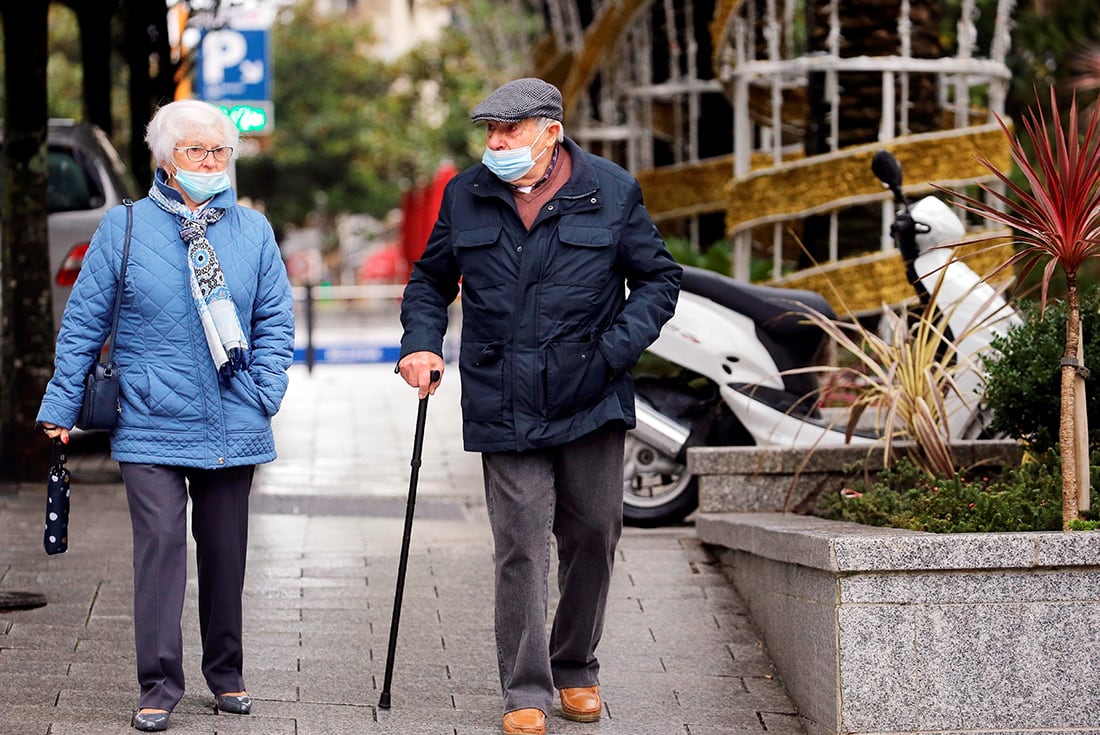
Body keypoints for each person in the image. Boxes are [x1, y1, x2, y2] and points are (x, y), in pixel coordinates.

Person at [396, 78, 681, 735]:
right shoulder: (466, 194)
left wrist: (614, 352)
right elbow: (432, 277)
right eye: (489, 130)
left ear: (551, 131)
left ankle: (575, 666)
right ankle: (524, 688)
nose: (495, 142)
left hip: (590, 392)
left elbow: (659, 277)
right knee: (521, 543)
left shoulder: (610, 188)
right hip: (505, 398)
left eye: (511, 130)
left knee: (593, 534)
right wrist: (420, 343)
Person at [36, 99, 295, 732]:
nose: (212, 163)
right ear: (165, 160)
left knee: (226, 554)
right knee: (158, 550)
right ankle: (158, 684)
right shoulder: (123, 228)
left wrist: (264, 391)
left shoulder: (253, 231)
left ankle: (226, 674)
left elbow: (275, 321)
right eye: (197, 152)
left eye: (220, 153)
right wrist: (61, 405)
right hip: (148, 417)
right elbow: (82, 326)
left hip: (234, 418)